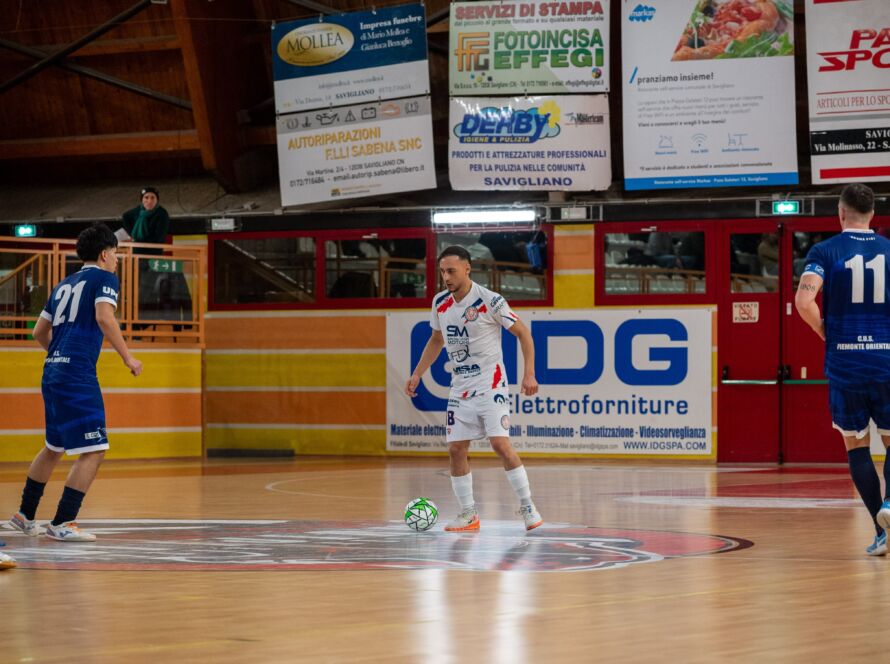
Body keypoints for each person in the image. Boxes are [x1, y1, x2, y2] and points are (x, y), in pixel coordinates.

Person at [5, 223, 142, 542]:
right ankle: (63, 522)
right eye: (116, 254)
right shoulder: (105, 279)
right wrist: (128, 358)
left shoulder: (63, 284)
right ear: (105, 254)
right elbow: (104, 317)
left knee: (54, 446)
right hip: (77, 374)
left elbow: (39, 332)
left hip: (52, 371)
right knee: (95, 449)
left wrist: (59, 355)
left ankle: (24, 515)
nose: (117, 260)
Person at [405, 245, 543, 532]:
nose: (446, 277)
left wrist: (529, 374)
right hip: (460, 388)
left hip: (491, 384)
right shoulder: (440, 302)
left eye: (451, 271)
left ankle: (528, 505)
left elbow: (523, 333)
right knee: (456, 449)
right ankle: (468, 513)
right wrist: (417, 373)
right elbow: (436, 340)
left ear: (467, 269)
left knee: (500, 445)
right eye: (442, 272)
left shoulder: (490, 301)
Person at [795, 183, 890, 556]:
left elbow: (804, 300)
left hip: (845, 361)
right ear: (873, 215)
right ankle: (889, 504)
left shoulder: (825, 251)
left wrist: (825, 331)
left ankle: (881, 532)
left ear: (840, 212)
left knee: (857, 445)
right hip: (887, 359)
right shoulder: (888, 249)